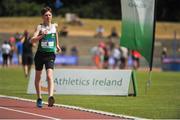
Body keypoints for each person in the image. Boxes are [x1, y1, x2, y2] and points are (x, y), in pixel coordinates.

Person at [31, 7, 61, 108]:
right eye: (46, 15)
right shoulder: (40, 27)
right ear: (42, 17)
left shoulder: (54, 26)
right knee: (38, 77)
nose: (48, 17)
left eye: (49, 15)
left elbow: (56, 33)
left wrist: (57, 45)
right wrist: (41, 36)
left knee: (49, 75)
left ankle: (50, 97)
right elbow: (32, 40)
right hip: (40, 54)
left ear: (51, 16)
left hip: (50, 55)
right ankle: (39, 98)